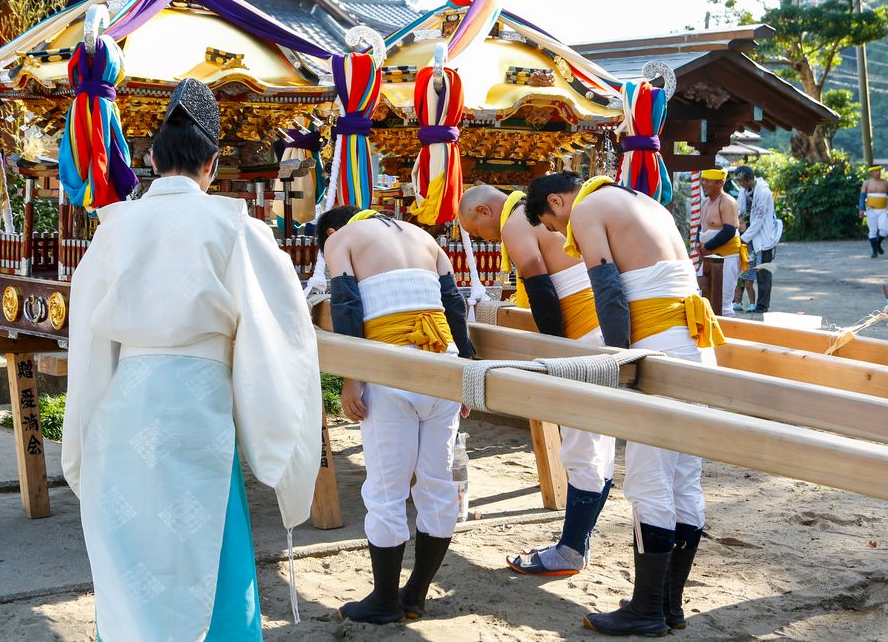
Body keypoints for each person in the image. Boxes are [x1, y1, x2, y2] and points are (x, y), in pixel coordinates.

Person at [62, 79, 321, 641]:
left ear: (151, 158)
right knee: (209, 538)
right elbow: (279, 332)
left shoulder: (112, 229)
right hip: (199, 401)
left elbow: (86, 341)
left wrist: (83, 430)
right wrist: (277, 447)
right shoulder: (236, 227)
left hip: (126, 402)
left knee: (132, 553)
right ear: (213, 162)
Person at [527, 171, 724, 636]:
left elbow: (608, 290)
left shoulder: (591, 209)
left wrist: (619, 366)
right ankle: (667, 603)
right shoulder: (644, 201)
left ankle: (647, 611)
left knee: (649, 480)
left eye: (554, 226)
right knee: (682, 477)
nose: (561, 236)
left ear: (558, 201)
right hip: (697, 344)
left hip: (660, 347)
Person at [321, 204, 475, 624]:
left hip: (390, 368)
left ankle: (386, 600)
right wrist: (466, 371)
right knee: (437, 483)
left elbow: (346, 304)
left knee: (387, 487)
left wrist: (352, 377)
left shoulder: (341, 240)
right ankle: (416, 593)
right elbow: (454, 305)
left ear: (333, 230)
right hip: (443, 364)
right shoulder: (424, 237)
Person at [459, 184, 616, 577]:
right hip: (606, 334)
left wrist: (553, 358)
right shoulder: (537, 214)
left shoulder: (517, 219)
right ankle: (578, 542)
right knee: (601, 444)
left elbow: (541, 289)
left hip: (582, 341)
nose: (484, 239)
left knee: (581, 450)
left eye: (477, 232)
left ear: (484, 210)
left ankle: (570, 551)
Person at [697, 168, 745, 317]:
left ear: (720, 182)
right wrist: (699, 244)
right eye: (703, 180)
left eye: (708, 180)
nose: (704, 184)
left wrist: (708, 246)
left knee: (723, 303)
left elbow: (730, 230)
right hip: (708, 256)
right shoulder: (706, 202)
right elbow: (703, 226)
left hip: (727, 257)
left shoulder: (728, 202)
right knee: (700, 295)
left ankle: (729, 336)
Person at [732, 164, 781, 312]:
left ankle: (762, 305)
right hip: (748, 236)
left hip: (763, 239)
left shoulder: (764, 192)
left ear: (749, 179)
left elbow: (759, 220)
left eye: (741, 181)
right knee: (744, 271)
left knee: (763, 272)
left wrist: (743, 238)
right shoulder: (743, 190)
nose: (740, 184)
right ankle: (737, 301)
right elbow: (740, 210)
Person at [860, 165, 888, 258]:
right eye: (876, 171)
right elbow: (862, 197)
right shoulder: (866, 183)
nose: (878, 172)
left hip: (882, 210)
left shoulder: (885, 183)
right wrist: (861, 209)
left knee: (884, 230)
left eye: (879, 171)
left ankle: (877, 244)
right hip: (870, 210)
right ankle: (874, 251)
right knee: (872, 231)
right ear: (871, 173)